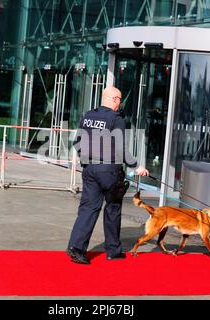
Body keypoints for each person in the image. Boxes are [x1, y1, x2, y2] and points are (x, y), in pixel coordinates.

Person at [66, 86, 149, 264]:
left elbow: (77, 143)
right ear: (114, 100)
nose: (120, 103)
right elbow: (121, 149)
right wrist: (137, 166)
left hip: (89, 169)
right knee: (112, 209)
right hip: (109, 171)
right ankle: (113, 250)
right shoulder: (116, 119)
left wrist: (87, 158)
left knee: (88, 209)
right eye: (119, 99)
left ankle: (76, 247)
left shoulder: (88, 116)